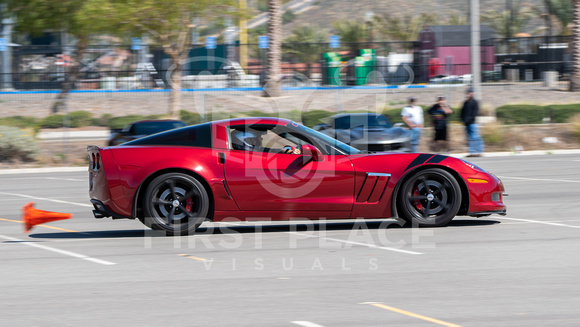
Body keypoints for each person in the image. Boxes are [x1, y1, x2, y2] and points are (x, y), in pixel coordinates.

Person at [461, 88, 485, 157]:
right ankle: (472, 152)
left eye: (471, 93)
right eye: (468, 93)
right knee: (469, 138)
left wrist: (468, 120)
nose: (470, 94)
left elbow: (475, 113)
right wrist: (463, 120)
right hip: (466, 123)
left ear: (473, 93)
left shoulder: (475, 102)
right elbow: (462, 112)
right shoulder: (466, 102)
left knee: (475, 137)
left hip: (472, 123)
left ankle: (478, 151)